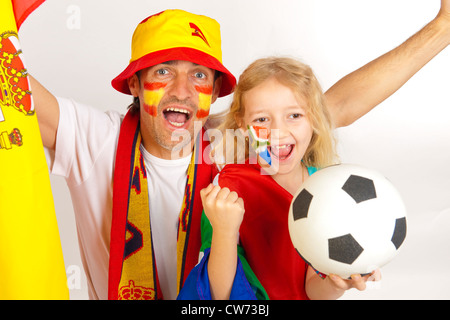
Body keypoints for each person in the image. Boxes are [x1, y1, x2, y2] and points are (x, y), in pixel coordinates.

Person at [29, 2, 449, 300]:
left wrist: (441, 29)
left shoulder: (232, 141)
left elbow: (332, 108)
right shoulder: (93, 137)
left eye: (198, 75)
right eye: (162, 72)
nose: (181, 91)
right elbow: (15, 91)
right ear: (135, 85)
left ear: (213, 90)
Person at [181, 56, 380, 300]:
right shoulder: (228, 188)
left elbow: (311, 290)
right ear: (243, 126)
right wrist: (224, 230)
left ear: (314, 119)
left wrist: (336, 283)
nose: (278, 131)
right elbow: (217, 296)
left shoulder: (327, 188)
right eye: (262, 119)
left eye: (294, 115)